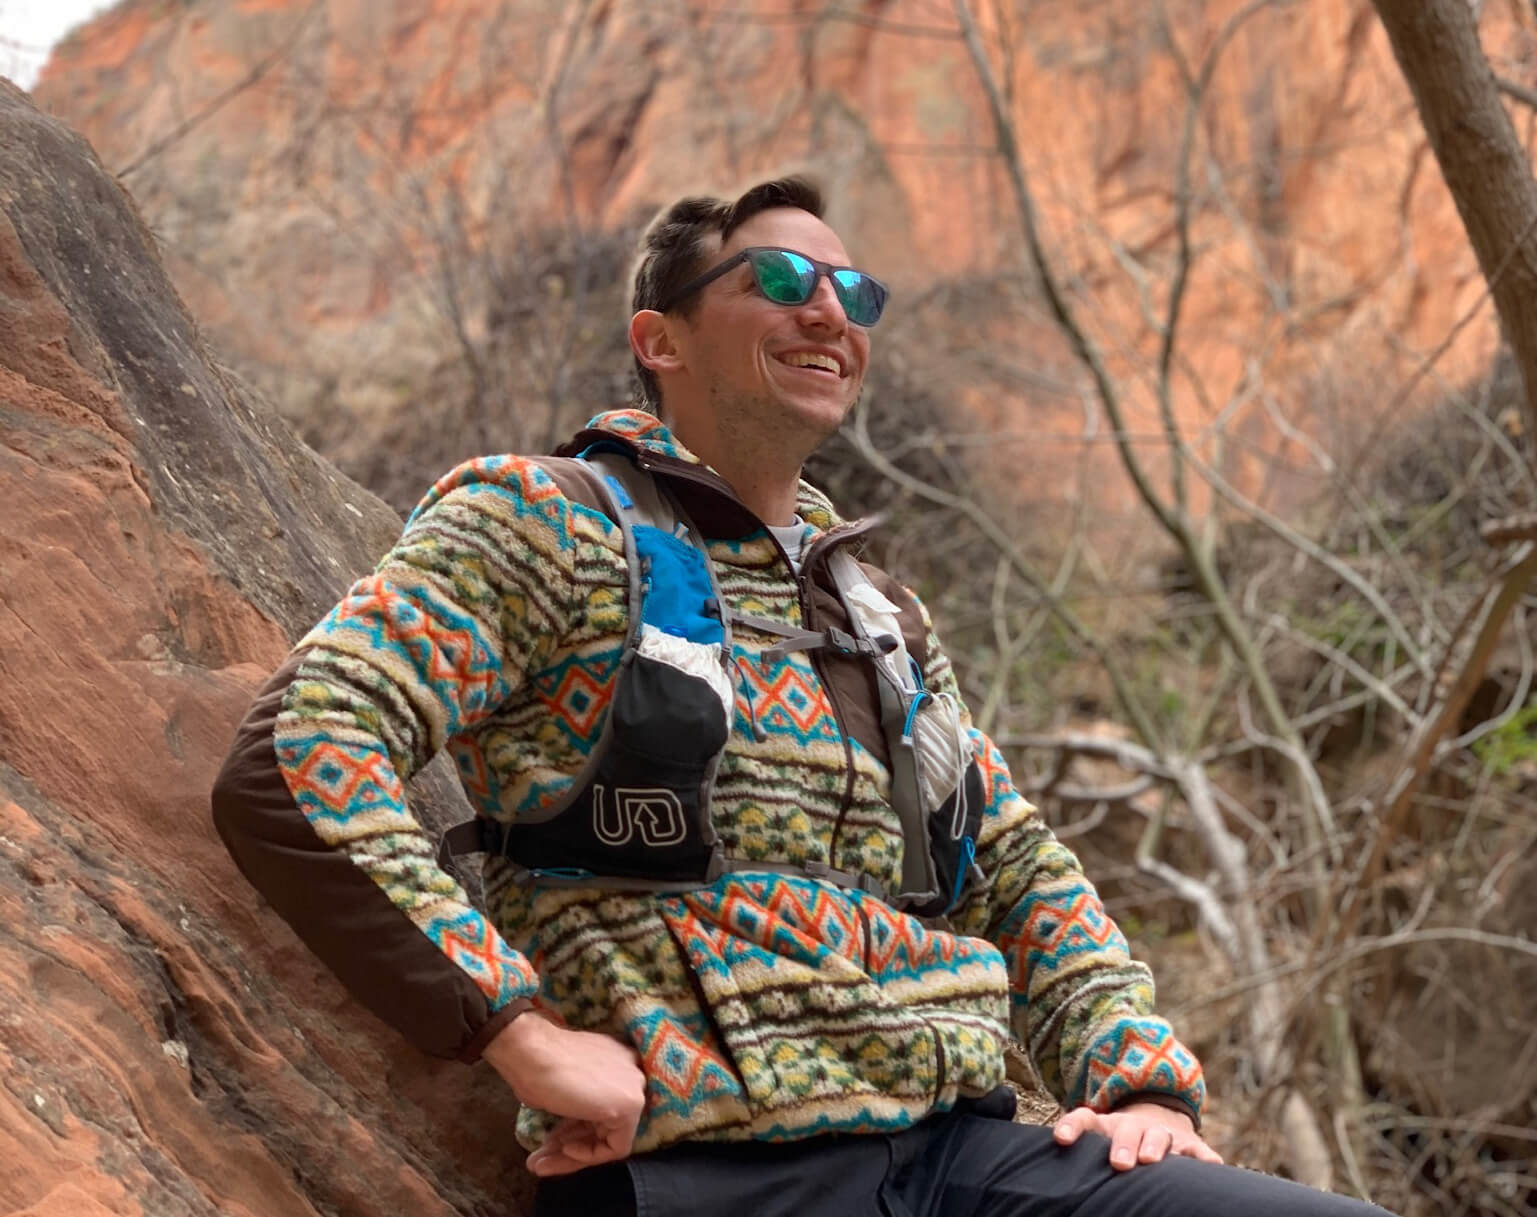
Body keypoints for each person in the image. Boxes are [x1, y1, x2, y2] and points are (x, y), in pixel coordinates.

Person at [212, 176, 1391, 1217]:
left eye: (854, 291)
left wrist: (1133, 1077)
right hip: (707, 1173)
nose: (829, 311)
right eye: (779, 277)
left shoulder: (878, 615)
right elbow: (306, 750)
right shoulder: (546, 522)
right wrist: (516, 1030)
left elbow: (1014, 866)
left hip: (963, 1156)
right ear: (660, 338)